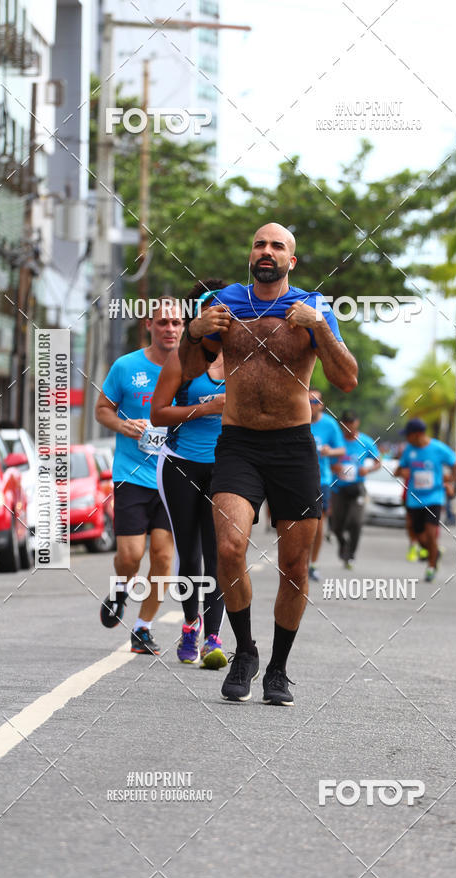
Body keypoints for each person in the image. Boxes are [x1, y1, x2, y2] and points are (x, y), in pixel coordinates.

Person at [179, 222, 357, 705]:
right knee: (229, 547)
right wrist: (193, 333)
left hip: (293, 447)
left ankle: (278, 669)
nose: (267, 251)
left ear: (290, 261)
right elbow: (189, 372)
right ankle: (244, 651)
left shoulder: (314, 307)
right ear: (250, 254)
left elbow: (346, 380)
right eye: (260, 243)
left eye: (277, 246)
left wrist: (320, 327)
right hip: (238, 443)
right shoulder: (225, 304)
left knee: (294, 565)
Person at [94, 297, 183, 653]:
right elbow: (102, 409)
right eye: (163, 322)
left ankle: (142, 628)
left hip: (173, 476)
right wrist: (124, 426)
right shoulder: (126, 366)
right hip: (131, 474)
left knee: (162, 557)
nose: (170, 329)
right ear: (149, 325)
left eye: (176, 323)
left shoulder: (192, 370)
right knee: (131, 555)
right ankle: (121, 588)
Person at [151, 287, 228, 669]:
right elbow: (158, 414)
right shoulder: (181, 359)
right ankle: (189, 626)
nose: (220, 318)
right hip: (180, 464)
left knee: (220, 553)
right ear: (199, 317)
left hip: (226, 468)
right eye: (212, 311)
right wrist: (207, 408)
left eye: (227, 312)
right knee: (190, 553)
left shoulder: (246, 358)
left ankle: (213, 637)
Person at [394, 418, 456, 582]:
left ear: (417, 434)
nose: (406, 438)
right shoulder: (409, 450)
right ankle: (435, 552)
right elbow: (398, 470)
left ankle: (431, 567)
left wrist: (451, 482)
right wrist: (401, 472)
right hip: (414, 499)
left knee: (431, 533)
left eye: (408, 435)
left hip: (434, 497)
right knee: (421, 538)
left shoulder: (438, 448)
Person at [330, 410, 381, 569]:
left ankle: (350, 554)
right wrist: (334, 467)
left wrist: (368, 470)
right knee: (337, 525)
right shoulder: (336, 441)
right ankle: (342, 543)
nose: (349, 427)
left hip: (357, 488)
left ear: (357, 423)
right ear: (342, 425)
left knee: (356, 522)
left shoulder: (365, 441)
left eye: (352, 423)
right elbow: (325, 460)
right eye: (346, 423)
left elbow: (378, 462)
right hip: (338, 488)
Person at [308, 389, 345, 582]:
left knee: (318, 523)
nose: (311, 405)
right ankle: (297, 562)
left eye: (314, 402)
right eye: (308, 401)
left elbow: (341, 449)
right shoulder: (296, 419)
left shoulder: (329, 424)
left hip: (321, 481)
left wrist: (330, 452)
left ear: (321, 405)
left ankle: (313, 563)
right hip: (297, 480)